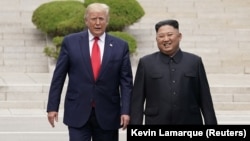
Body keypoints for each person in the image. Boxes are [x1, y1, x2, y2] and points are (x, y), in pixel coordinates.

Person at [46, 2, 133, 141]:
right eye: (93, 19)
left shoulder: (120, 46)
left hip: (108, 113)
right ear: (86, 21)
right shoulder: (71, 42)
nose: (97, 23)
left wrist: (126, 111)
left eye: (101, 19)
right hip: (77, 110)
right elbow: (58, 77)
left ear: (107, 21)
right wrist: (52, 107)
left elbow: (126, 82)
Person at [129, 19, 217, 125]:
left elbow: (205, 99)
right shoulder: (146, 63)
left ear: (179, 36)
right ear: (156, 39)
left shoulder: (194, 62)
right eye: (161, 36)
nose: (166, 39)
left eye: (170, 35)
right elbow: (137, 101)